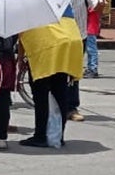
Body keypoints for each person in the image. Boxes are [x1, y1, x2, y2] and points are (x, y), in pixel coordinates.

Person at [17, 17, 85, 148]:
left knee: (41, 95)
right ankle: (58, 135)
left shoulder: (27, 10)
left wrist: (21, 58)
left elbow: (23, 36)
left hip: (46, 48)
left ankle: (41, 136)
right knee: (60, 93)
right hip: (69, 44)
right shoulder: (59, 4)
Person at [83, 0, 103, 78]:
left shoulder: (95, 1)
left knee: (91, 50)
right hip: (88, 28)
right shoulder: (94, 0)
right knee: (89, 49)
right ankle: (90, 68)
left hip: (90, 28)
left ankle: (93, 68)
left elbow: (90, 9)